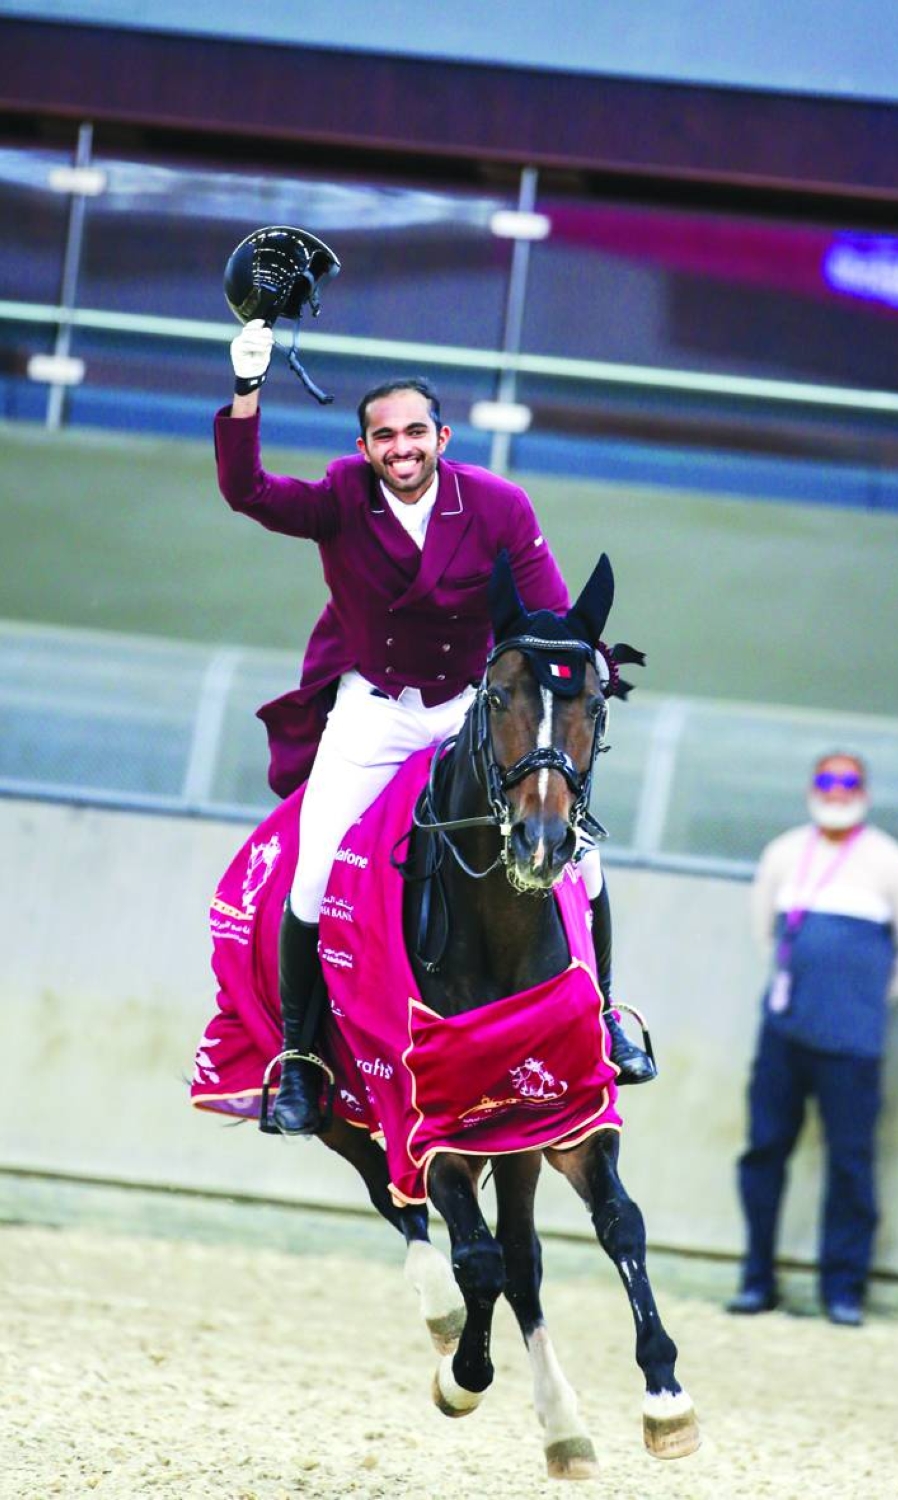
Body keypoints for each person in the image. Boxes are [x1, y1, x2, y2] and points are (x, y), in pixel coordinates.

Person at [218, 320, 657, 1134]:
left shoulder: (497, 504)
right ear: (365, 446)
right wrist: (247, 393)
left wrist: (583, 673)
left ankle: (604, 1019)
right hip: (375, 708)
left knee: (582, 859)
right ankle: (301, 1063)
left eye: (415, 432)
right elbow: (249, 493)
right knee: (314, 873)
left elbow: (546, 617)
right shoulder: (343, 496)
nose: (401, 447)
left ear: (441, 438)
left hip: (467, 706)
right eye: (384, 436)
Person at [727, 751, 898, 1326]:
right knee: (764, 1152)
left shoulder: (890, 862)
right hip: (784, 1033)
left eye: (849, 782)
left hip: (852, 1044)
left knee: (851, 1163)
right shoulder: (784, 853)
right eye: (828, 780)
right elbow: (765, 934)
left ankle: (842, 1290)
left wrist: (865, 999)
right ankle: (757, 1280)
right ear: (811, 787)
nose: (837, 791)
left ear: (864, 791)